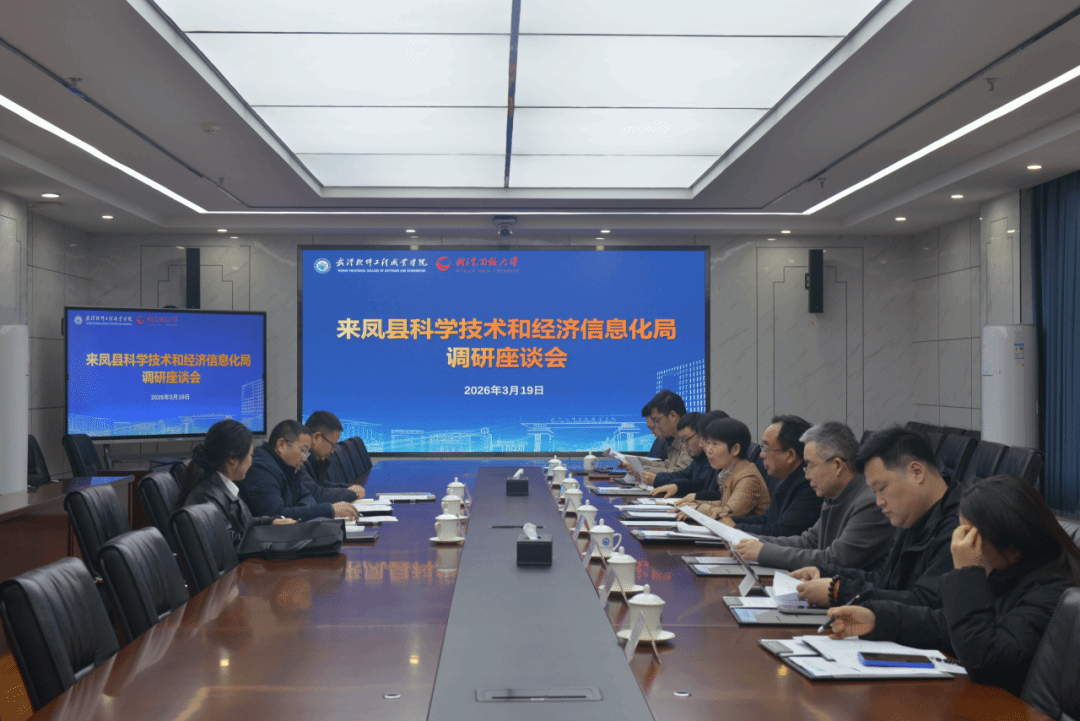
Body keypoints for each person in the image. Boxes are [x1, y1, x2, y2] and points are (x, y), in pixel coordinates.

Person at [826, 475, 1080, 698]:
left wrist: (968, 573)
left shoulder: (1055, 592)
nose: (963, 547)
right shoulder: (1011, 571)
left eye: (971, 538)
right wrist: (878, 619)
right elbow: (948, 625)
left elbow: (986, 659)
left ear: (1009, 541)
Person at [793, 426, 961, 608]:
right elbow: (885, 581)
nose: (879, 502)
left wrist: (838, 591)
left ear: (917, 473)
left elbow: (926, 603)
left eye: (881, 488)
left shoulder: (959, 527)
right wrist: (825, 573)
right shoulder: (913, 516)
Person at [733, 421, 893, 571]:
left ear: (837, 465)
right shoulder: (834, 495)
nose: (807, 475)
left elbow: (835, 559)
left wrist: (763, 552)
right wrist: (745, 540)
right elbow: (808, 542)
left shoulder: (869, 503)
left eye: (810, 465)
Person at [173, 419, 295, 549]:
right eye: (250, 455)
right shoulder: (207, 497)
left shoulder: (220, 487)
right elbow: (231, 543)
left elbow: (244, 523)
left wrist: (271, 522)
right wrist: (272, 536)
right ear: (232, 458)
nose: (251, 462)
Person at [240, 420, 359, 522]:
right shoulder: (261, 470)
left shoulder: (288, 466)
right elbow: (278, 516)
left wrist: (300, 510)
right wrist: (329, 510)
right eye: (303, 451)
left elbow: (307, 496)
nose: (304, 458)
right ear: (281, 445)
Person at [719, 415, 819, 536]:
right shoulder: (786, 479)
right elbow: (768, 519)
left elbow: (781, 532)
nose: (762, 455)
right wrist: (731, 520)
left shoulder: (810, 486)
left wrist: (735, 527)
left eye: (766, 449)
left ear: (790, 455)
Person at [678, 417, 770, 518]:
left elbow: (727, 512)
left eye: (715, 444)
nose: (708, 450)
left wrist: (697, 508)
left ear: (735, 449)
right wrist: (694, 503)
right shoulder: (732, 470)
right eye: (708, 443)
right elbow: (723, 503)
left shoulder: (748, 478)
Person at [650, 410, 727, 497]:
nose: (704, 446)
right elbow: (692, 480)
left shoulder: (735, 472)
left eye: (714, 443)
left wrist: (694, 497)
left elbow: (704, 486)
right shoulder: (701, 459)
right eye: (705, 441)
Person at [300, 411, 366, 503]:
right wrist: (351, 493)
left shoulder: (311, 458)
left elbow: (321, 485)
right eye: (333, 445)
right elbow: (316, 494)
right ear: (316, 437)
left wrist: (349, 488)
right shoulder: (298, 460)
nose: (332, 451)